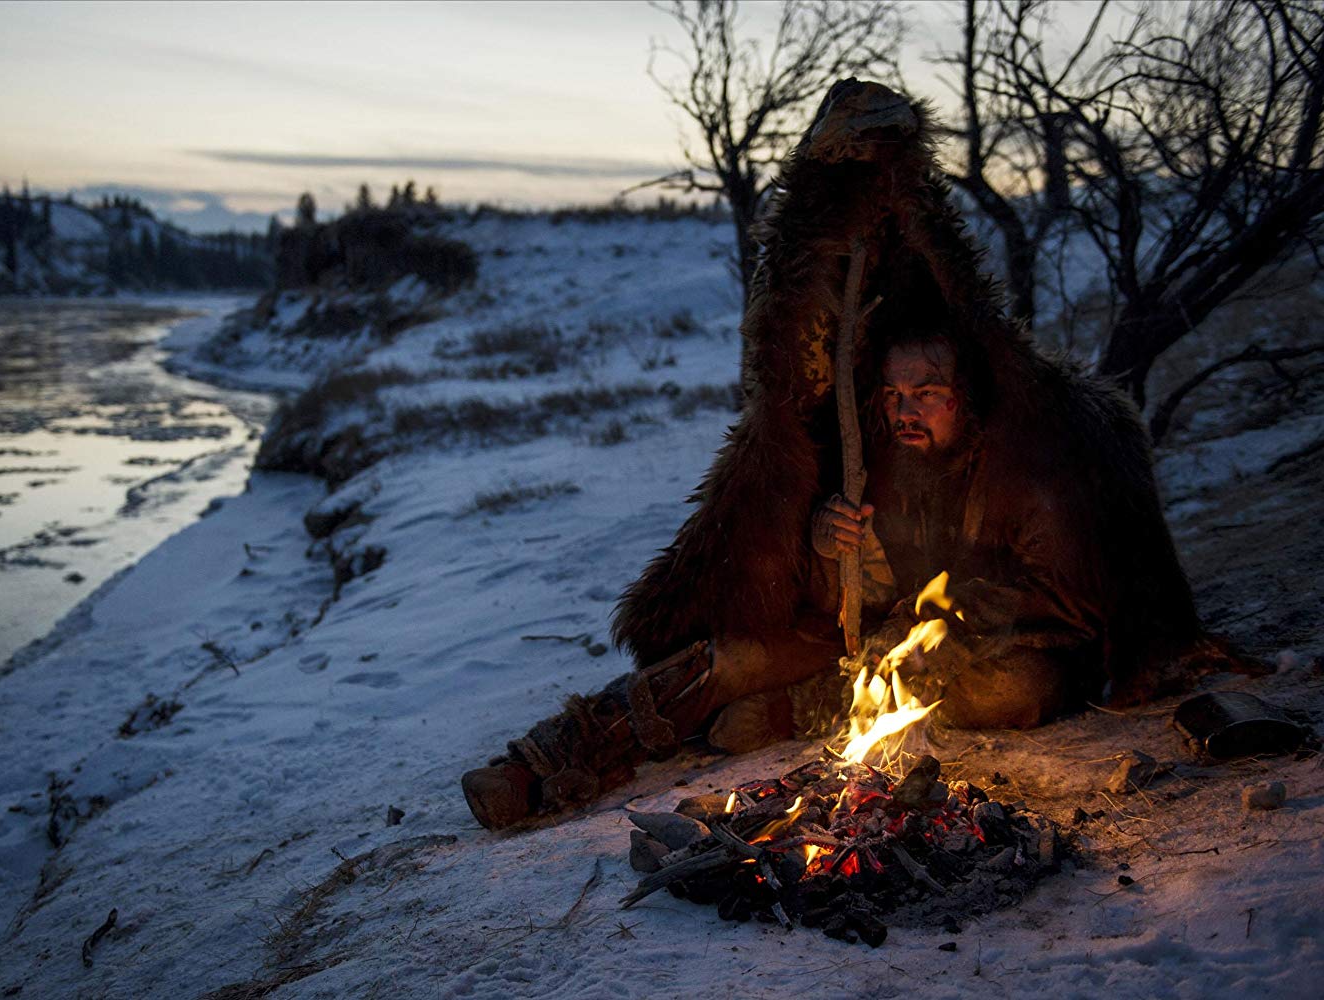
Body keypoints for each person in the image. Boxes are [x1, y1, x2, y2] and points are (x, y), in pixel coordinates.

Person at [461, 78, 1222, 831]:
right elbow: (840, 604)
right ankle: (542, 763)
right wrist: (832, 551)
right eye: (892, 397)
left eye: (926, 392)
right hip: (868, 649)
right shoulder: (882, 457)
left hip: (990, 655)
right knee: (724, 660)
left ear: (966, 390)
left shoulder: (1025, 464)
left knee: (1013, 693)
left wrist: (940, 631)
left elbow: (1066, 598)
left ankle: (797, 711)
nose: (905, 411)